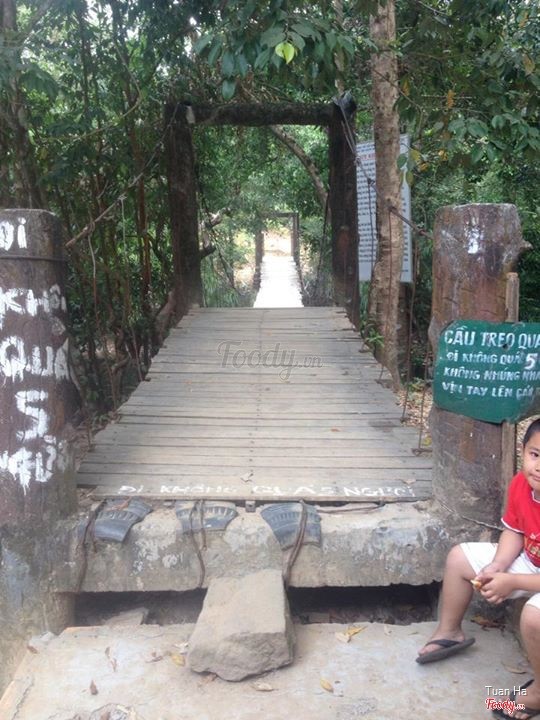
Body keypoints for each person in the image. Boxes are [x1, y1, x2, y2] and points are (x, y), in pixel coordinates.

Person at [416, 417, 540, 720]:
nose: (539, 467)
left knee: (534, 617)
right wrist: (498, 565)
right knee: (459, 558)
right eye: (535, 454)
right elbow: (514, 531)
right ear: (523, 451)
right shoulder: (522, 484)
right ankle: (449, 632)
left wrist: (512, 581)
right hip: (531, 560)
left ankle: (538, 694)